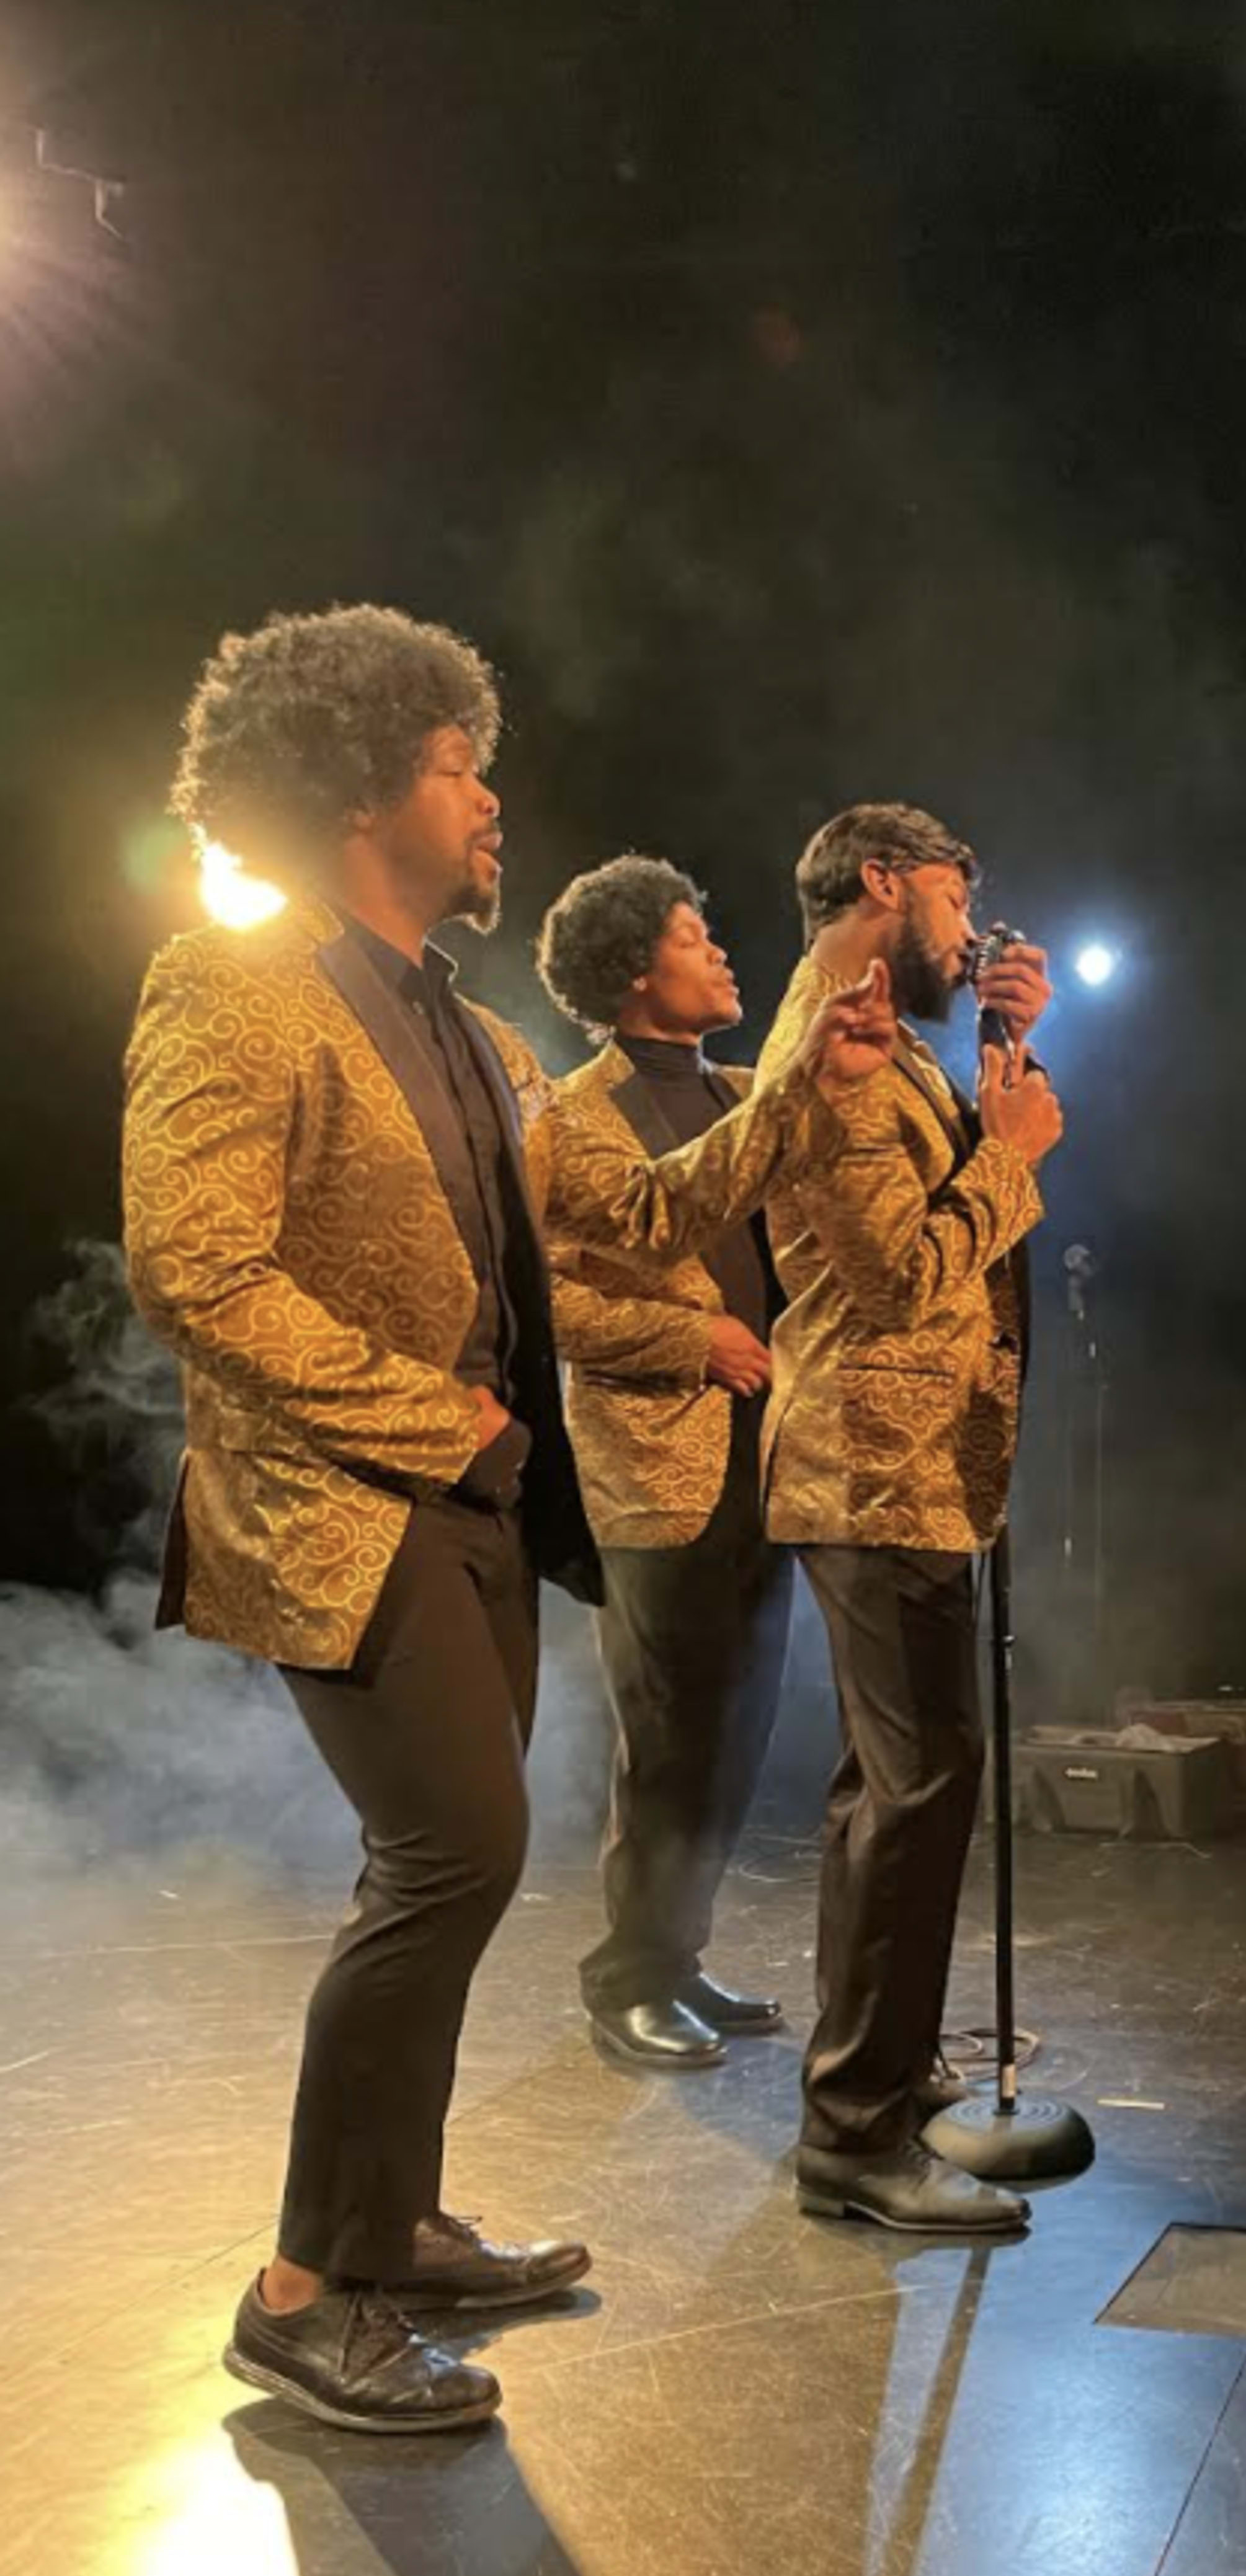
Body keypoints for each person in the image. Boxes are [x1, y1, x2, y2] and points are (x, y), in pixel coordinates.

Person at [124, 606, 885, 2434]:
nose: (489, 798)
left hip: (466, 1507)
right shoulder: (235, 989)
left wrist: (807, 1059)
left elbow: (645, 1205)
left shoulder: (471, 1030)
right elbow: (190, 1263)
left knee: (462, 1862)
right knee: (452, 1854)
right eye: (460, 764)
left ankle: (393, 2221)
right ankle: (306, 2287)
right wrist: (427, 1411)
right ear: (357, 779)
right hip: (338, 1501)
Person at [756, 803, 1066, 2237]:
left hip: (912, 1464)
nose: (971, 921)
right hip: (877, 1467)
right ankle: (855, 2136)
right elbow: (897, 1279)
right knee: (921, 1779)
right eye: (959, 889)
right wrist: (1013, 1151)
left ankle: (882, 2071)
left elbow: (948, 1196)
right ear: (885, 878)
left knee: (888, 1783)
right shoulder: (832, 1041)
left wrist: (1005, 1069)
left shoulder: (892, 1033)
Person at [538, 856, 796, 2074]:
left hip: (775, 1457)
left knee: (736, 1725)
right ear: (639, 970)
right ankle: (626, 1978)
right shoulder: (572, 1115)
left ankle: (678, 1957)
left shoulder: (749, 1093)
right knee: (668, 1726)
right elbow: (546, 1299)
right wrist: (692, 1337)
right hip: (656, 1464)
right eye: (698, 938)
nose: (724, 954)